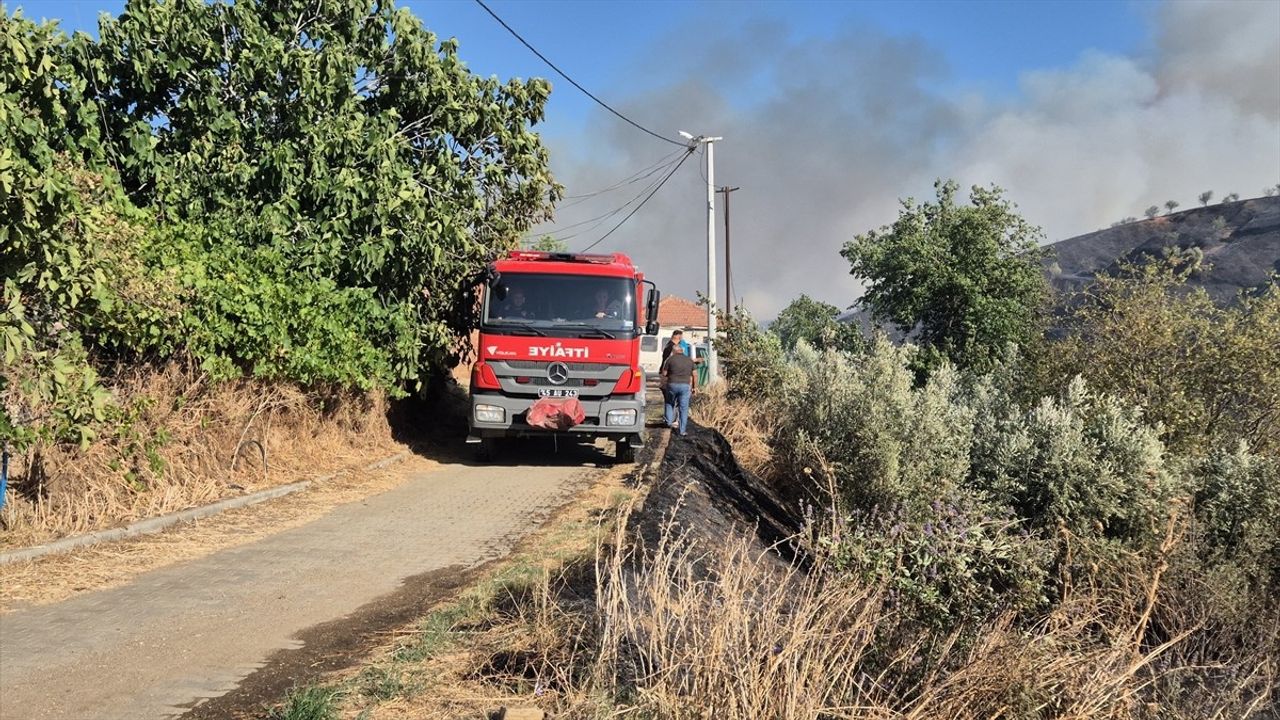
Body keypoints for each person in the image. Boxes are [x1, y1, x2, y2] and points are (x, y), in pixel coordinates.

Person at [660, 341, 697, 436]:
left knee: (669, 403)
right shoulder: (689, 360)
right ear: (682, 351)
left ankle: (668, 422)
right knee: (683, 408)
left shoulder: (670, 360)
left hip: (672, 385)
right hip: (685, 386)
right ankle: (682, 431)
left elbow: (664, 374)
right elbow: (695, 375)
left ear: (674, 351)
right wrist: (694, 387)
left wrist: (665, 381)